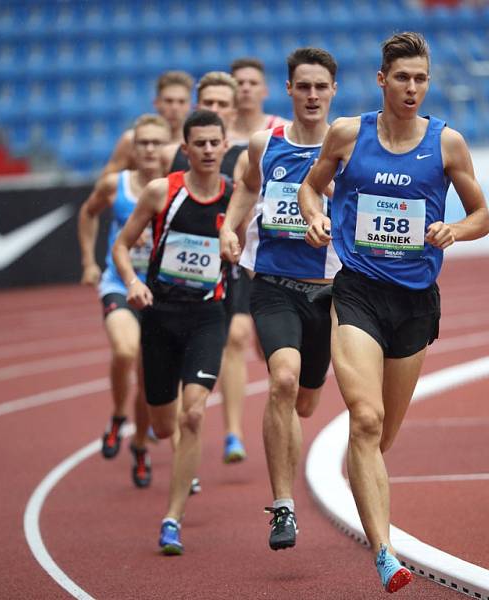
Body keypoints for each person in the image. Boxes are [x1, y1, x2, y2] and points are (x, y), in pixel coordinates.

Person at [298, 32, 489, 593]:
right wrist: (314, 216)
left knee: (381, 440)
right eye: (402, 78)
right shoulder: (347, 135)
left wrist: (454, 228)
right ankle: (385, 554)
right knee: (366, 418)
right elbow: (313, 190)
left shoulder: (447, 143)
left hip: (415, 303)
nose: (412, 88)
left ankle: (365, 482)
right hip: (358, 290)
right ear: (382, 80)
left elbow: (482, 216)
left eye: (421, 79)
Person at [219, 47, 340, 552]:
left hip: (330, 293)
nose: (312, 95)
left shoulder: (352, 148)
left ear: (333, 91)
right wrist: (230, 225)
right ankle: (283, 506)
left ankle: (290, 433)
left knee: (306, 401)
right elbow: (248, 188)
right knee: (282, 381)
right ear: (288, 91)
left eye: (321, 87)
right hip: (273, 285)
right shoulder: (263, 144)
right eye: (303, 86)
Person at [112, 110, 232, 555]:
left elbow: (251, 240)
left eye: (212, 143)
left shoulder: (233, 197)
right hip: (160, 317)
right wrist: (133, 282)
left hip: (207, 317)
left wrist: (236, 246)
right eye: (197, 143)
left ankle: (171, 519)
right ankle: (177, 450)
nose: (205, 150)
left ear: (223, 147)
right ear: (185, 149)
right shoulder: (163, 192)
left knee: (194, 414)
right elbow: (122, 245)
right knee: (165, 426)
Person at [163, 71, 253, 464]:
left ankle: (233, 433)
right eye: (208, 104)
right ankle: (186, 440)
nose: (215, 109)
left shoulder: (246, 155)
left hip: (232, 260)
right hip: (187, 264)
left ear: (234, 109)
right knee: (183, 348)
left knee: (236, 337)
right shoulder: (182, 153)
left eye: (222, 104)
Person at [78, 114, 171, 487]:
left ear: (168, 146)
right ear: (133, 148)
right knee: (124, 351)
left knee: (150, 385)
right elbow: (87, 213)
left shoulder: (177, 187)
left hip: (163, 293)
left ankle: (139, 446)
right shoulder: (114, 186)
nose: (149, 149)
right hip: (119, 283)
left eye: (156, 143)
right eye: (142, 143)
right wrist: (88, 261)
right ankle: (118, 414)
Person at [103, 71, 194, 176]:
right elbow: (106, 183)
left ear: (190, 105)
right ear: (156, 103)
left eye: (181, 102)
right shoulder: (131, 140)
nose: (174, 108)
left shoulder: (195, 144)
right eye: (169, 101)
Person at [229, 57, 290, 145]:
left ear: (265, 91)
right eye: (240, 83)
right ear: (230, 90)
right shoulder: (220, 132)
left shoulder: (284, 129)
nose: (246, 88)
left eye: (253, 83)